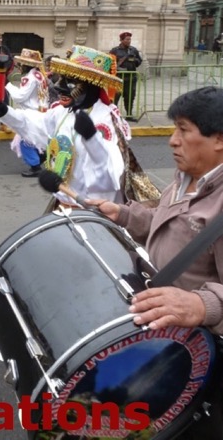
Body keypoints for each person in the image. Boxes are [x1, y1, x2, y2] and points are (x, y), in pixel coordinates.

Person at [87, 86, 223, 440]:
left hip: (200, 354)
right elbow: (164, 224)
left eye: (183, 129)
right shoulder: (187, 178)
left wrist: (201, 304)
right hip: (164, 331)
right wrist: (123, 214)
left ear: (219, 140)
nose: (172, 141)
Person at [0, 45, 131, 209]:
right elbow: (39, 124)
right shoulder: (62, 112)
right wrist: (6, 112)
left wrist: (92, 139)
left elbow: (110, 173)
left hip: (93, 212)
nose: (58, 86)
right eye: (61, 79)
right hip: (63, 206)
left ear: (91, 84)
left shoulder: (105, 120)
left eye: (70, 81)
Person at [5, 48, 48, 177]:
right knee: (35, 139)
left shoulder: (29, 77)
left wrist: (8, 85)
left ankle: (35, 166)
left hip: (31, 114)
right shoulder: (39, 75)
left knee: (25, 141)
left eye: (22, 63)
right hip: (41, 112)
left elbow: (20, 97)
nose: (19, 66)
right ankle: (41, 157)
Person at [109, 31, 142, 121]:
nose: (129, 41)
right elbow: (109, 62)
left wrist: (134, 60)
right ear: (121, 40)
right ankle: (113, 115)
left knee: (130, 96)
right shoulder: (115, 50)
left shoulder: (133, 50)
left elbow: (139, 61)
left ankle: (129, 114)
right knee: (116, 97)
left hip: (131, 78)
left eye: (130, 39)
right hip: (118, 78)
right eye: (127, 39)